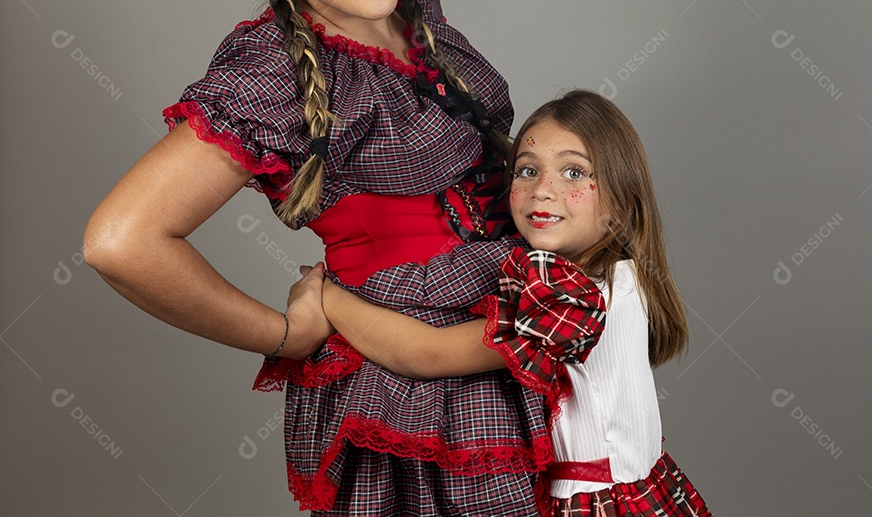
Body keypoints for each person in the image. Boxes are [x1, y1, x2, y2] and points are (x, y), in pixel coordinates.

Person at [83, 0, 549, 516]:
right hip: (414, 399)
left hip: (507, 350)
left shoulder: (416, 14)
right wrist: (288, 332)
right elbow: (120, 242)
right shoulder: (276, 71)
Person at [297, 90, 715, 515]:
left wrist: (325, 295)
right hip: (647, 487)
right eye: (527, 170)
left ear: (624, 202)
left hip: (594, 504)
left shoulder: (571, 297)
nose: (542, 191)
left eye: (574, 172)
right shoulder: (627, 274)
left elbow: (425, 353)